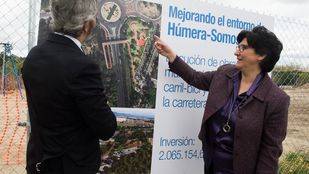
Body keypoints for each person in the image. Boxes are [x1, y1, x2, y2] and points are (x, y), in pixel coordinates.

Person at [154, 26, 290, 174]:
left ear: (261, 55)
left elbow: (270, 152)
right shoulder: (224, 73)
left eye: (243, 48)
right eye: (238, 46)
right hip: (212, 165)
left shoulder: (277, 100)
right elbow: (196, 78)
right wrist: (171, 55)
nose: (236, 51)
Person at [22, 0, 117, 173]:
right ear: (88, 25)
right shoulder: (83, 67)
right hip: (71, 166)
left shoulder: (33, 56)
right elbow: (106, 128)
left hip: (38, 162)